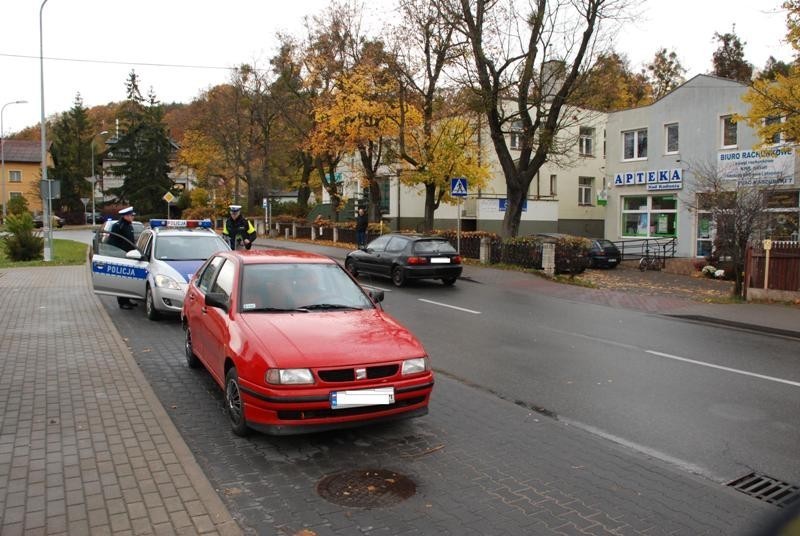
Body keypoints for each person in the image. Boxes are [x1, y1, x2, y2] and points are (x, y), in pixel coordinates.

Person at [108, 206, 138, 310]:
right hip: (122, 256)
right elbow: (112, 242)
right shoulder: (118, 226)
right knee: (122, 280)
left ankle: (127, 299)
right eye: (131, 215)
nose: (132, 217)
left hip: (129, 256)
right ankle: (122, 302)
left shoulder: (128, 225)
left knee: (128, 280)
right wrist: (118, 254)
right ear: (126, 216)